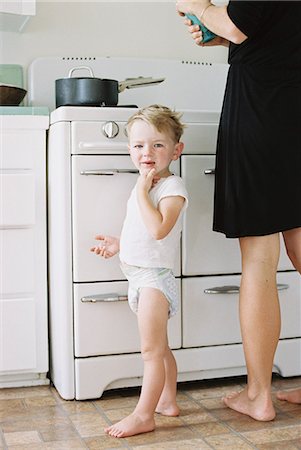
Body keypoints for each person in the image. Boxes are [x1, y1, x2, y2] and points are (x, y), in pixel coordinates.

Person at [176, 1, 301, 421]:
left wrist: (200, 7)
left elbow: (237, 23)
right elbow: (263, 29)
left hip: (262, 111)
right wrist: (217, 33)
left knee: (260, 261)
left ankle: (259, 396)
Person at [90, 104, 188, 438]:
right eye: (138, 145)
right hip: (139, 277)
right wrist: (120, 244)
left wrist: (140, 191)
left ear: (177, 150)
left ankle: (144, 414)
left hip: (154, 282)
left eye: (158, 145)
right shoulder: (145, 187)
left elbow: (159, 229)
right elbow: (143, 232)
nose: (147, 152)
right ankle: (168, 400)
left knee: (151, 352)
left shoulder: (171, 189)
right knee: (161, 348)